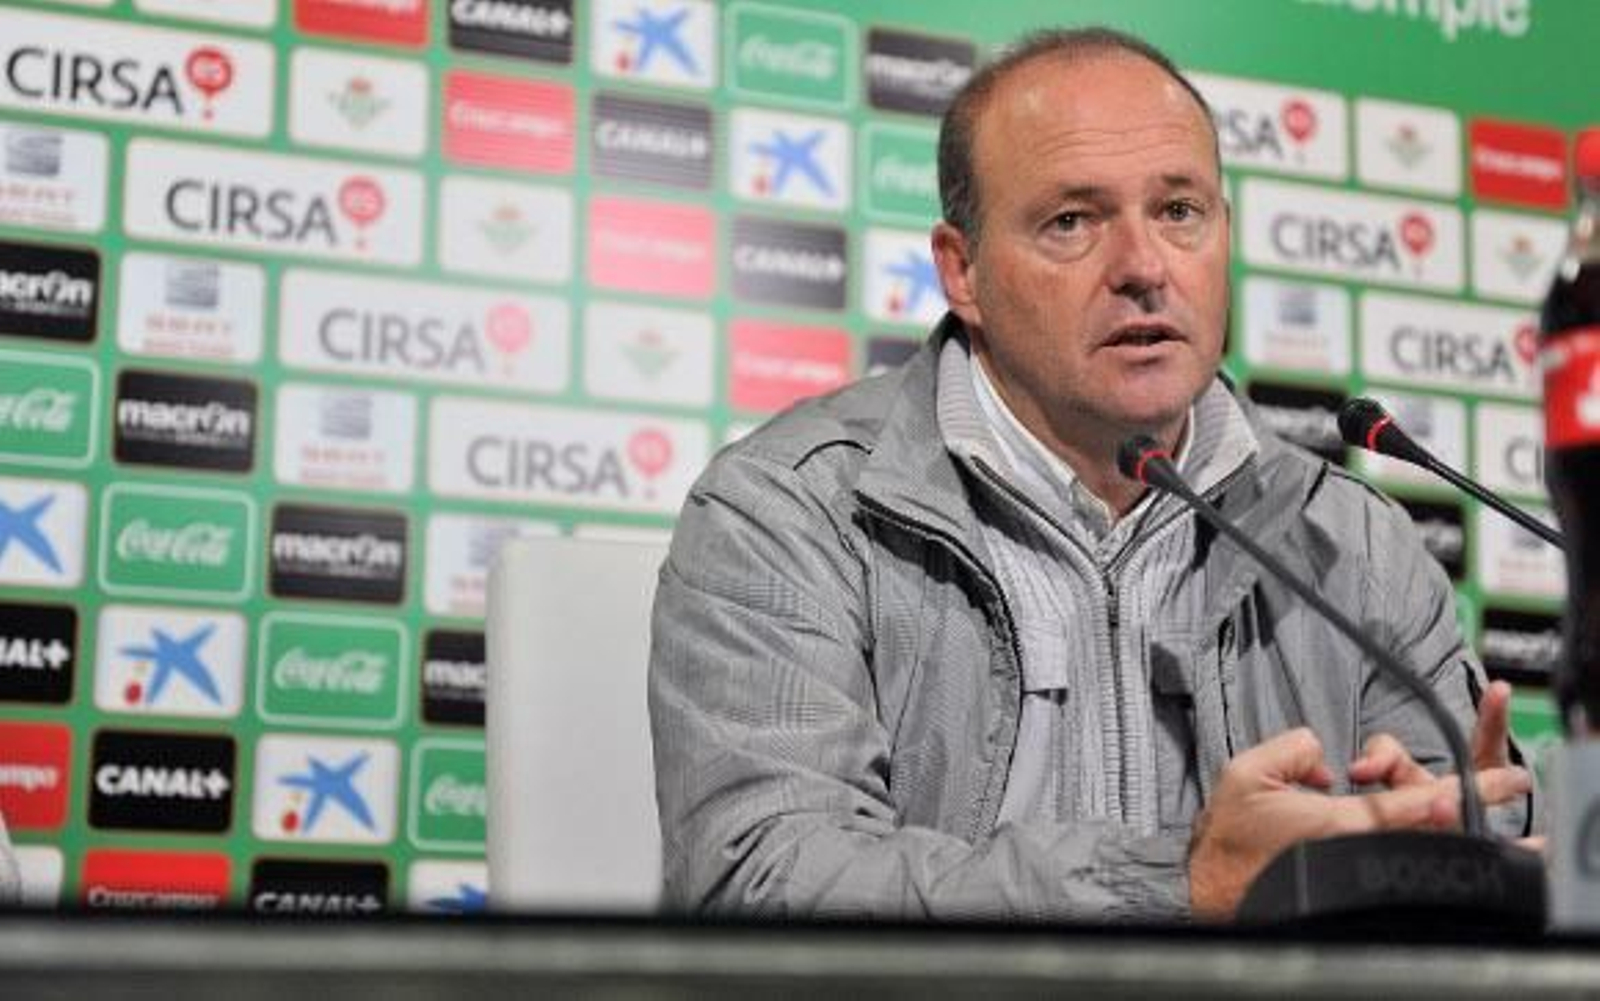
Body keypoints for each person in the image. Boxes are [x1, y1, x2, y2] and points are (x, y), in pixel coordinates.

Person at [648, 27, 1535, 922]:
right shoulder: (792, 512)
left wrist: (1444, 853)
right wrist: (1178, 884)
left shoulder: (1352, 542)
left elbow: (1472, 846)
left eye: (1179, 211)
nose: (1145, 268)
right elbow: (763, 880)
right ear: (963, 270)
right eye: (1072, 221)